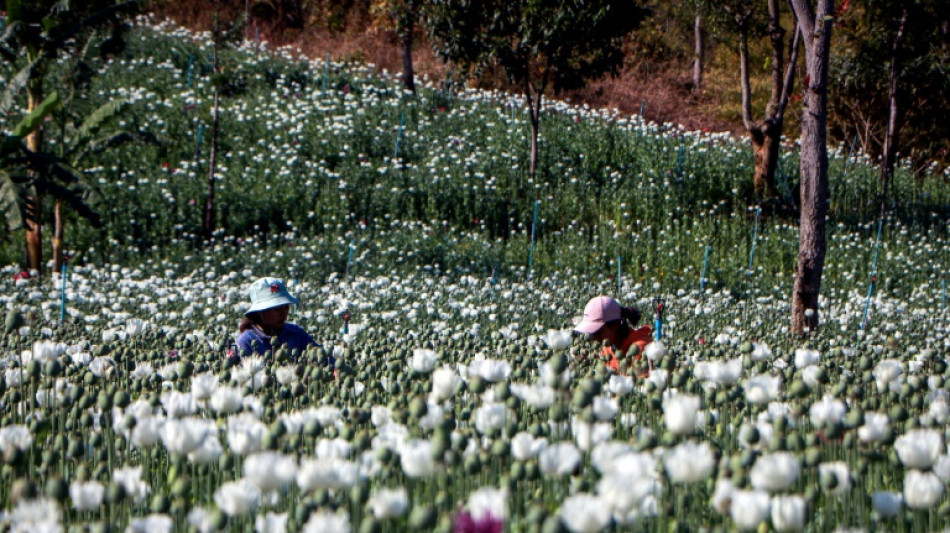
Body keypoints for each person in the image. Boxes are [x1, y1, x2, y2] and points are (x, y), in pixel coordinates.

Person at [237, 277, 317, 359]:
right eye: (277, 309)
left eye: (286, 306)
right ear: (260, 312)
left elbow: (325, 361)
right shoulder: (246, 342)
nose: (284, 313)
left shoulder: (296, 334)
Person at [574, 295, 653, 376]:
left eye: (597, 331)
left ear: (615, 325)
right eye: (590, 332)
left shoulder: (641, 348)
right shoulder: (607, 348)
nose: (594, 337)